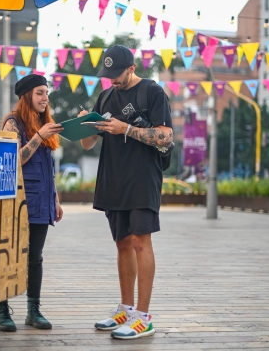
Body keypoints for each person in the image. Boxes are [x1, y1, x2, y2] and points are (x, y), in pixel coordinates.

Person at [79, 45, 173, 340]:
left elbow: (165, 136)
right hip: (113, 178)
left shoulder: (152, 92)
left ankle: (143, 318)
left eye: (116, 75)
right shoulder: (106, 95)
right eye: (107, 76)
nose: (112, 81)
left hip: (142, 178)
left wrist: (127, 129)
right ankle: (126, 309)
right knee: (121, 243)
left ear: (131, 68)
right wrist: (86, 126)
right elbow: (87, 145)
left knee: (140, 242)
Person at [0, 74, 64, 333]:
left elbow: (49, 167)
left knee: (35, 258)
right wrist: (38, 137)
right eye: (39, 93)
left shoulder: (44, 123)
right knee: (9, 257)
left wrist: (55, 198)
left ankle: (33, 311)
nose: (45, 97)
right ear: (26, 97)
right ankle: (1, 312)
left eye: (46, 92)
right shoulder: (13, 123)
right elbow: (12, 160)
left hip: (42, 200)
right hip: (17, 202)